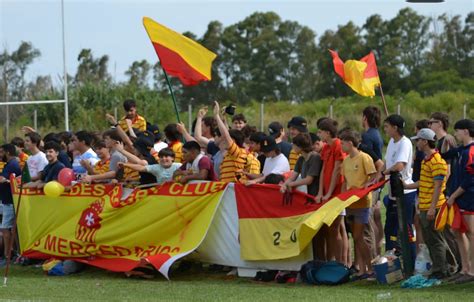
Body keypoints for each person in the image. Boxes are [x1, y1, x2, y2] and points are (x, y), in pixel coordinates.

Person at [403, 128, 451, 280]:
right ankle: (442, 268)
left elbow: (438, 186)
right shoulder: (426, 159)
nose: (417, 142)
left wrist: (431, 208)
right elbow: (423, 182)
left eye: (418, 140)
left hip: (434, 207)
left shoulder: (437, 161)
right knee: (430, 240)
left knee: (436, 240)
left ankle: (441, 270)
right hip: (425, 206)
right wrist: (406, 186)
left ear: (425, 141)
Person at [340, 129, 377, 280]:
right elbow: (345, 182)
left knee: (358, 236)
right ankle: (362, 270)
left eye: (342, 143)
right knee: (356, 238)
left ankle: (369, 268)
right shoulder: (346, 160)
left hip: (362, 203)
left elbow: (373, 175)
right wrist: (342, 199)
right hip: (350, 204)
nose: (341, 146)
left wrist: (364, 188)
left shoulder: (364, 157)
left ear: (350, 143)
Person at [381, 114, 417, 264]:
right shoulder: (391, 142)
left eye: (387, 126)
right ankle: (391, 264)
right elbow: (387, 162)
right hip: (392, 193)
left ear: (395, 128)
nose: (385, 130)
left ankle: (411, 262)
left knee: (406, 229)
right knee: (390, 230)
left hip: (405, 193)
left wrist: (385, 172)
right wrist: (379, 176)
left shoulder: (405, 143)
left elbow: (400, 165)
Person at [443, 119, 474, 284]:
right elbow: (445, 155)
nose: (455, 134)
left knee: (471, 233)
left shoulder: (471, 151)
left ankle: (472, 271)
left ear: (466, 131)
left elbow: (470, 179)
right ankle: (464, 268)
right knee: (458, 232)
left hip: (468, 198)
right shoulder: (463, 149)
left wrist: (454, 195)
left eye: (457, 131)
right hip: (458, 197)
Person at [316, 118, 348, 264]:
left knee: (336, 228)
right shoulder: (326, 148)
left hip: (337, 193)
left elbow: (337, 170)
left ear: (327, 133)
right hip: (327, 193)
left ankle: (341, 262)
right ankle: (332, 261)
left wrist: (329, 192)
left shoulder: (338, 145)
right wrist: (321, 192)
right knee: (330, 229)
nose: (319, 134)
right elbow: (323, 170)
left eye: (320, 132)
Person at [213, 101, 251, 183]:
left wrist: (217, 116)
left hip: (234, 190)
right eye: (236, 123)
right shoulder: (229, 154)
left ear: (233, 141)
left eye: (240, 123)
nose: (224, 140)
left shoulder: (237, 152)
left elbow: (226, 134)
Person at [281, 133, 322, 202]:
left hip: (315, 195)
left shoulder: (315, 157)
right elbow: (292, 177)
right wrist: (284, 185)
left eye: (294, 145)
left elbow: (309, 180)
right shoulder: (301, 159)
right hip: (307, 195)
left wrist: (291, 184)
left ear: (300, 147)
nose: (292, 147)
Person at [0, 144, 21, 266]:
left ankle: (7, 256)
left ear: (7, 152)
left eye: (1, 152)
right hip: (7, 201)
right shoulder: (11, 164)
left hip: (9, 201)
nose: (0, 154)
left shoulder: (12, 164)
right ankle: (12, 254)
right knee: (11, 229)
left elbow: (2, 179)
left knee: (5, 228)